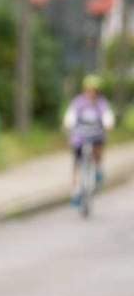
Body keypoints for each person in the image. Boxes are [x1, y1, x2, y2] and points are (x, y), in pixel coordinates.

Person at [62, 74, 115, 204]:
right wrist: (68, 123)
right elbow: (71, 115)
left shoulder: (101, 103)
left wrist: (108, 123)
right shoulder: (78, 102)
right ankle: (76, 192)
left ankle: (98, 169)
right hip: (80, 136)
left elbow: (107, 115)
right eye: (89, 90)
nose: (91, 93)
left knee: (98, 149)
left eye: (94, 91)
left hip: (96, 135)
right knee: (76, 164)